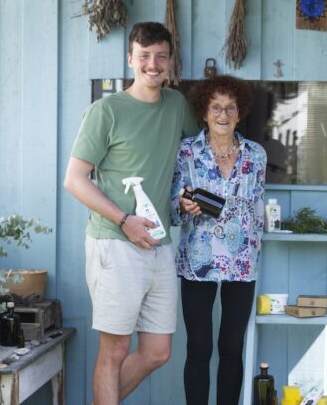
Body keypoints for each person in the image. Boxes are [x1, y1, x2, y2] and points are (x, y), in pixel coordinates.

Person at [64, 22, 199, 405]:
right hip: (115, 242)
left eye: (160, 56)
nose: (152, 64)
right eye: (144, 56)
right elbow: (75, 180)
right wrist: (124, 220)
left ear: (170, 61)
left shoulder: (176, 106)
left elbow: (196, 154)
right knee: (115, 349)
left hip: (159, 244)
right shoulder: (106, 111)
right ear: (130, 59)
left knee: (158, 351)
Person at [171, 75, 266, 405]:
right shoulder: (187, 151)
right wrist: (183, 203)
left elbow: (257, 203)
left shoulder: (256, 155)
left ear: (240, 113)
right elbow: (173, 201)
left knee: (231, 346)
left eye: (230, 108)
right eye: (216, 107)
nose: (223, 115)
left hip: (242, 261)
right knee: (198, 345)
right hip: (198, 260)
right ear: (203, 112)